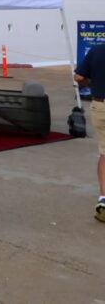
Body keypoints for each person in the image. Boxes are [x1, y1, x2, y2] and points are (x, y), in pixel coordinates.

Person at [74, 44, 105, 222]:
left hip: (99, 106)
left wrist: (92, 84)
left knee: (104, 153)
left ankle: (104, 199)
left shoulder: (96, 51)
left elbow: (78, 77)